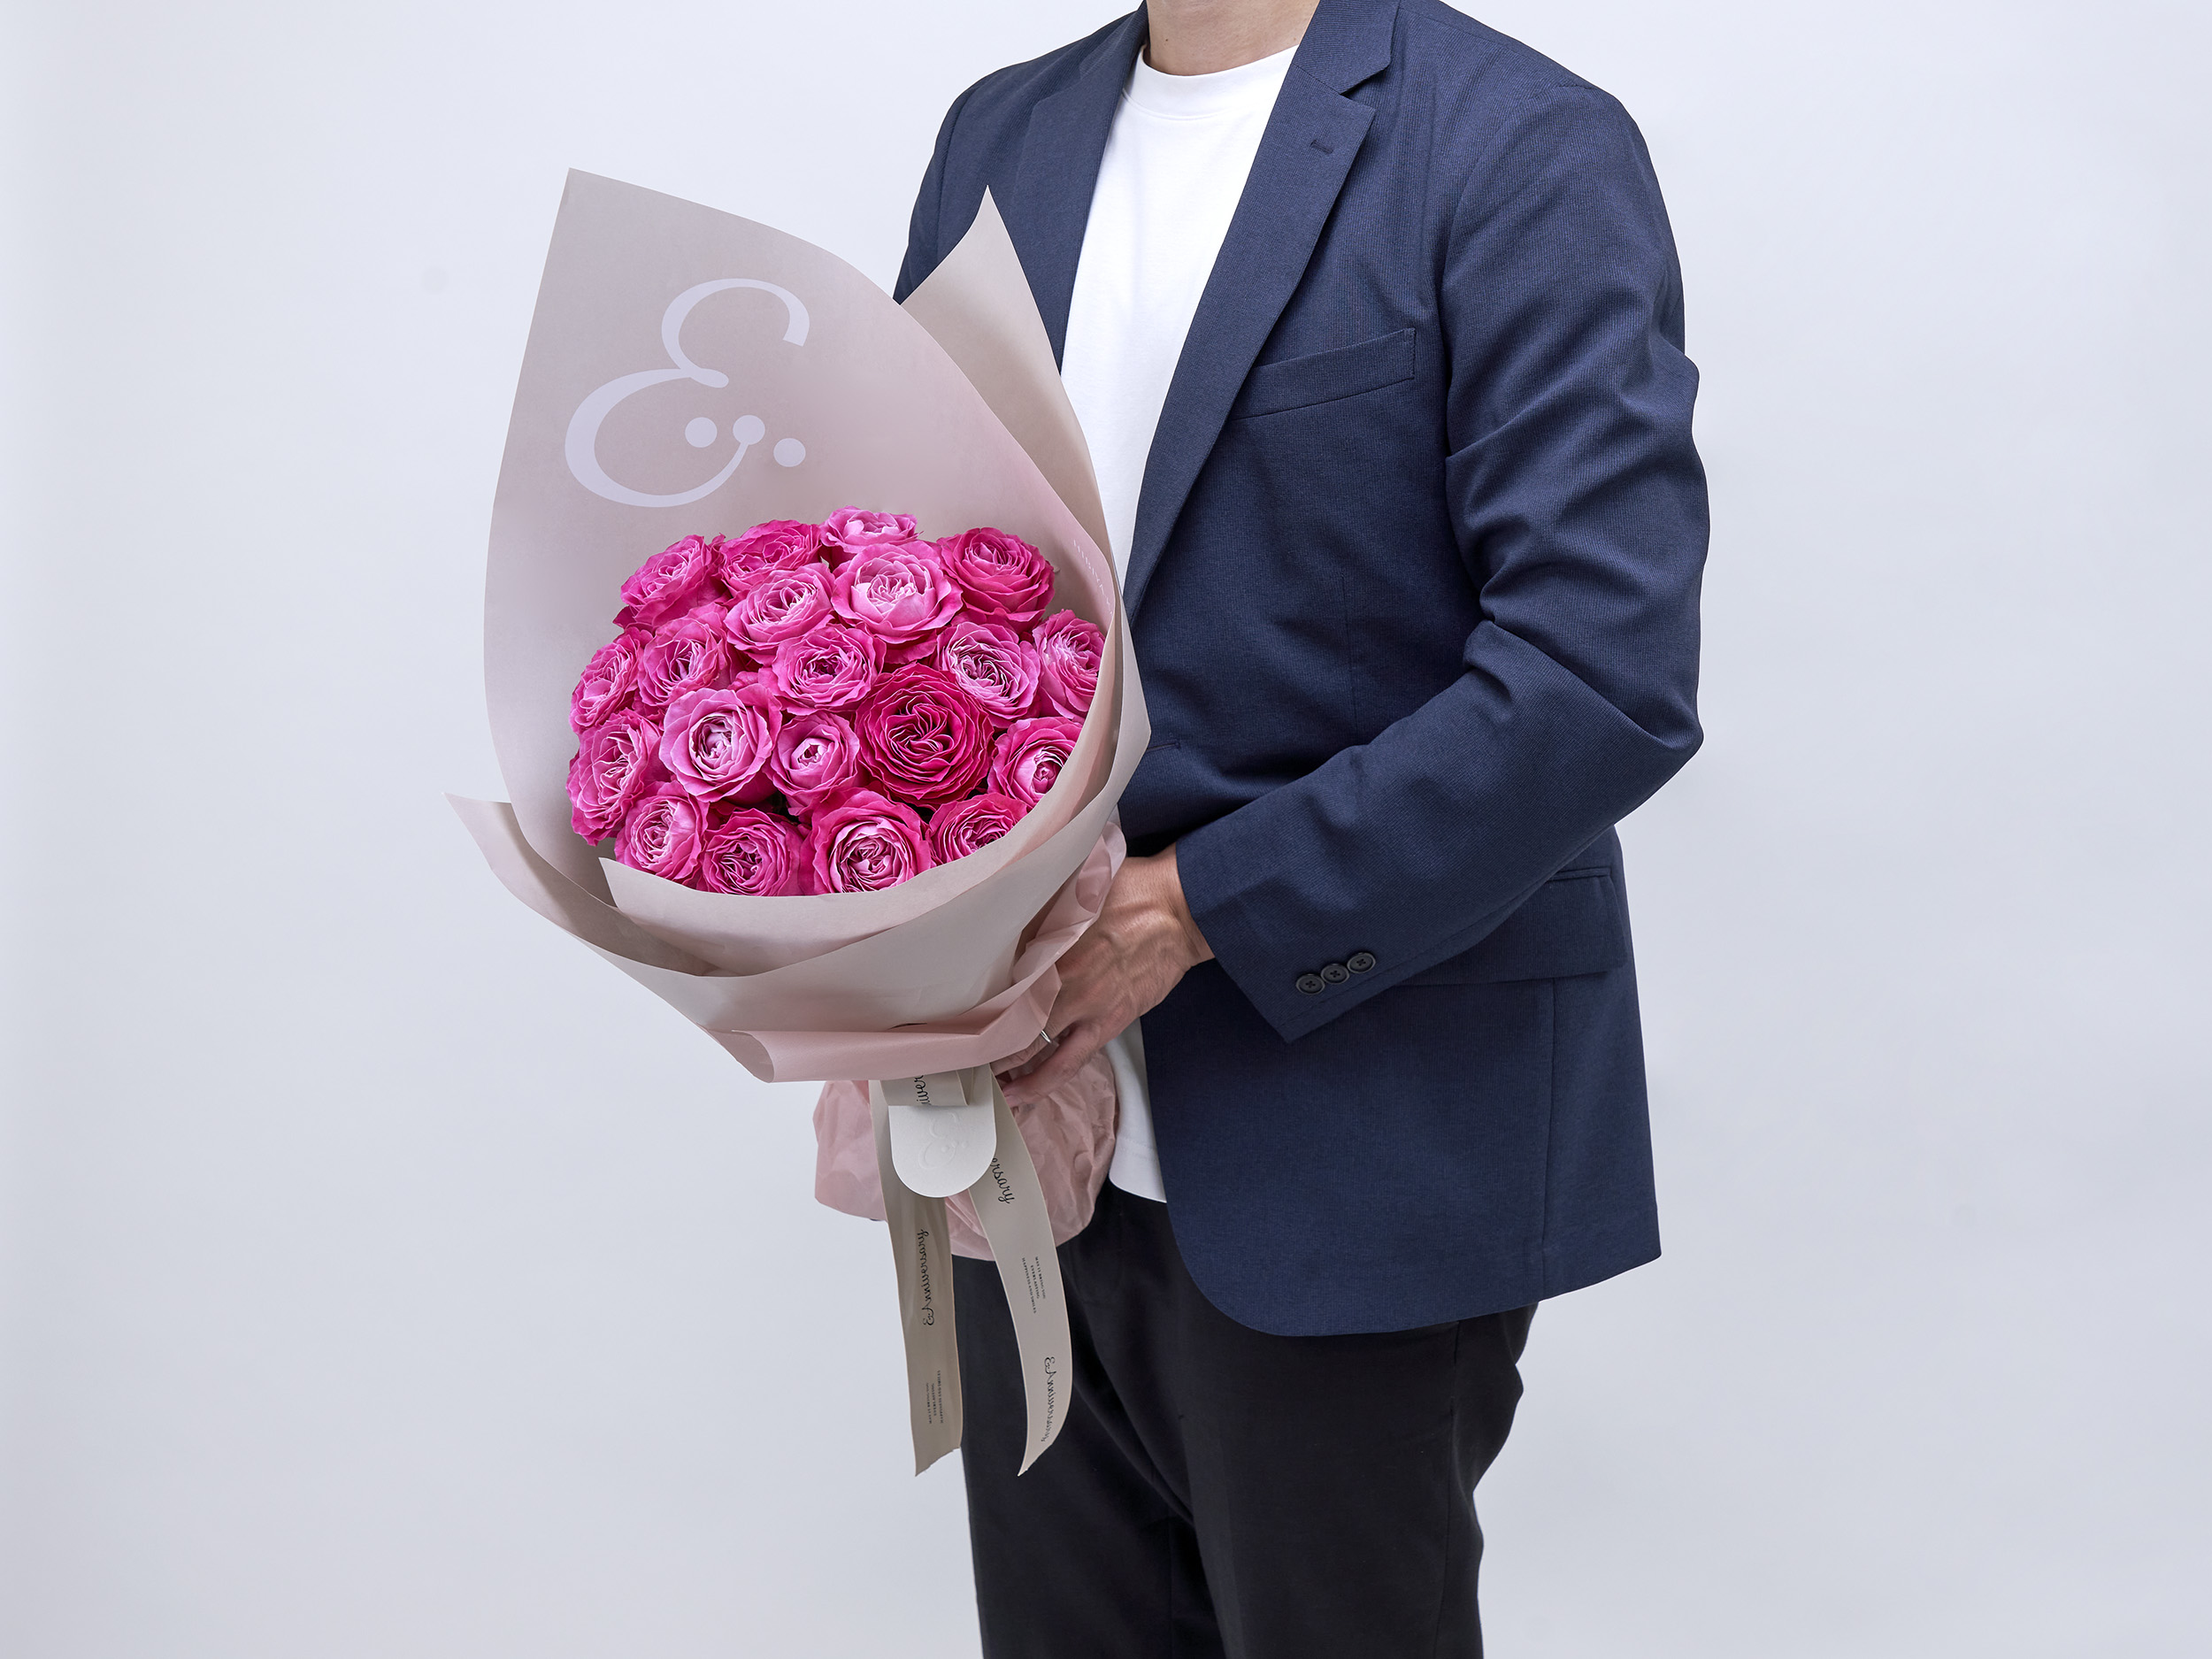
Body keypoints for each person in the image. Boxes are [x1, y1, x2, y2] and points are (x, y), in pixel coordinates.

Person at [895, 0, 1706, 1651]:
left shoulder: (1520, 146)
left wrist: (1192, 909)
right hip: (1018, 1129)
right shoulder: (998, 136)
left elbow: (1597, 672)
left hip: (1353, 1123)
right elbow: (906, 574)